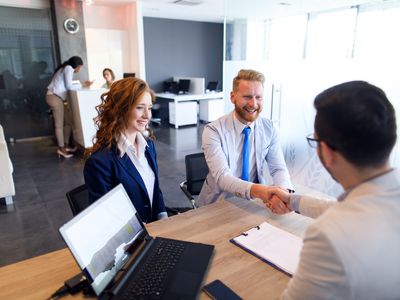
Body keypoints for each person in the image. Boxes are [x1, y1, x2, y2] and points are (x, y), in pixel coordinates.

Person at [264, 81, 400, 299]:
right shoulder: (381, 201)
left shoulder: (328, 236)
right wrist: (292, 200)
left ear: (326, 151)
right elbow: (347, 209)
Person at [197, 69, 293, 206]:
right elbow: (223, 178)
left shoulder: (269, 128)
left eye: (258, 97)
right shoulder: (213, 131)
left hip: (253, 203)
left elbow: (278, 168)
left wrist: (284, 193)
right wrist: (261, 191)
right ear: (232, 97)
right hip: (218, 203)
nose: (253, 104)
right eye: (247, 97)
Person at [84, 77, 167, 223]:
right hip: (131, 240)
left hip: (156, 229)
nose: (147, 115)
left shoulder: (149, 146)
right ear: (121, 109)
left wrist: (163, 218)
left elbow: (155, 190)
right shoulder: (99, 162)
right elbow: (105, 218)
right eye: (140, 107)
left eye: (149, 108)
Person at [46, 56, 92, 158]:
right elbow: (69, 86)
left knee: (68, 122)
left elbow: (68, 85)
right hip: (54, 97)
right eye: (80, 67)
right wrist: (83, 85)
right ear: (77, 65)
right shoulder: (68, 69)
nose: (80, 70)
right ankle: (61, 149)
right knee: (59, 125)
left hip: (55, 97)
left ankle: (66, 145)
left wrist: (81, 84)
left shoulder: (65, 68)